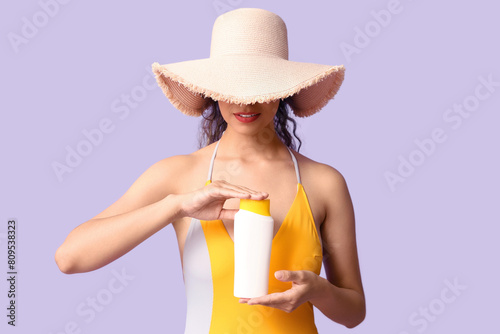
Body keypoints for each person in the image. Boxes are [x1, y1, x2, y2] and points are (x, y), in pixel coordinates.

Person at [55, 7, 365, 333]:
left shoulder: (324, 183)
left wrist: (318, 290)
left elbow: (353, 312)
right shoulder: (178, 176)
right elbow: (70, 258)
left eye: (260, 85)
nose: (246, 102)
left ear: (283, 90)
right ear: (213, 91)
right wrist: (176, 205)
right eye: (232, 86)